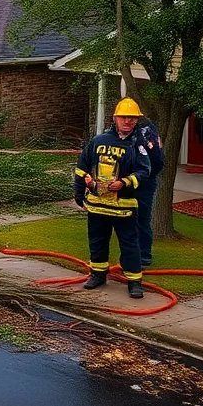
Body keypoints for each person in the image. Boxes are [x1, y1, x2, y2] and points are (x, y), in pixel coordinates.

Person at [74, 97, 152, 298]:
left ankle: (134, 282)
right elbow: (82, 168)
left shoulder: (138, 146)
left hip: (123, 208)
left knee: (130, 244)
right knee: (97, 241)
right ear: (115, 118)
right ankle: (98, 274)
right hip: (97, 206)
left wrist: (124, 182)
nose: (128, 122)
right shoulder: (99, 141)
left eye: (133, 119)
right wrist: (78, 191)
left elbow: (144, 171)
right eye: (124, 117)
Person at [133, 111, 164, 269]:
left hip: (142, 184)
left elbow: (157, 161)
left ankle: (142, 256)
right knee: (136, 220)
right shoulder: (150, 129)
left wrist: (142, 177)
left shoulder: (145, 133)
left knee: (139, 220)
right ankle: (137, 255)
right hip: (132, 183)